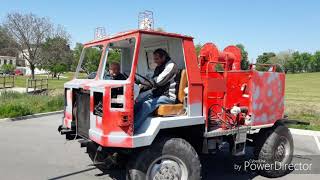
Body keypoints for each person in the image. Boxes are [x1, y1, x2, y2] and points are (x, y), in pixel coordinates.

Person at [134, 48, 178, 130]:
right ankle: (128, 123)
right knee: (137, 104)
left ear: (163, 57)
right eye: (154, 59)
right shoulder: (159, 67)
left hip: (168, 96)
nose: (155, 61)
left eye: (157, 59)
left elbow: (158, 82)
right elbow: (152, 83)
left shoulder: (171, 66)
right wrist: (139, 88)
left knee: (146, 105)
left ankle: (133, 128)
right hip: (158, 94)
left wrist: (142, 82)